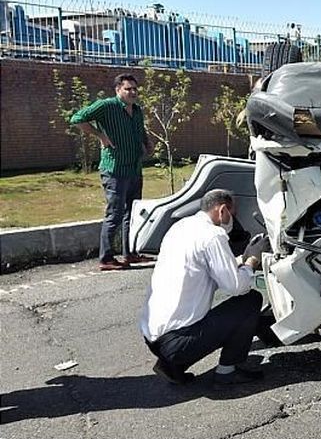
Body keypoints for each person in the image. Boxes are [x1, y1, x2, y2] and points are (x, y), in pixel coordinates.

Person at [139, 189, 273, 387]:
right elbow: (236, 287)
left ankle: (171, 366)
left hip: (153, 337)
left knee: (205, 321)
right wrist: (252, 262)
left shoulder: (181, 227)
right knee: (250, 300)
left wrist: (240, 262)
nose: (233, 221)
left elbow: (204, 269)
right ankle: (227, 371)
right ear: (222, 211)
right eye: (233, 215)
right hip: (178, 341)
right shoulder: (213, 235)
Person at [70, 74, 152, 271]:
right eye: (128, 89)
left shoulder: (137, 110)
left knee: (131, 214)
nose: (132, 92)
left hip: (134, 168)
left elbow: (140, 130)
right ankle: (106, 258)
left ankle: (129, 253)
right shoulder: (107, 106)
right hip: (115, 170)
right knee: (114, 214)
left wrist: (147, 142)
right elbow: (77, 118)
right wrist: (100, 136)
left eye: (134, 89)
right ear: (118, 90)